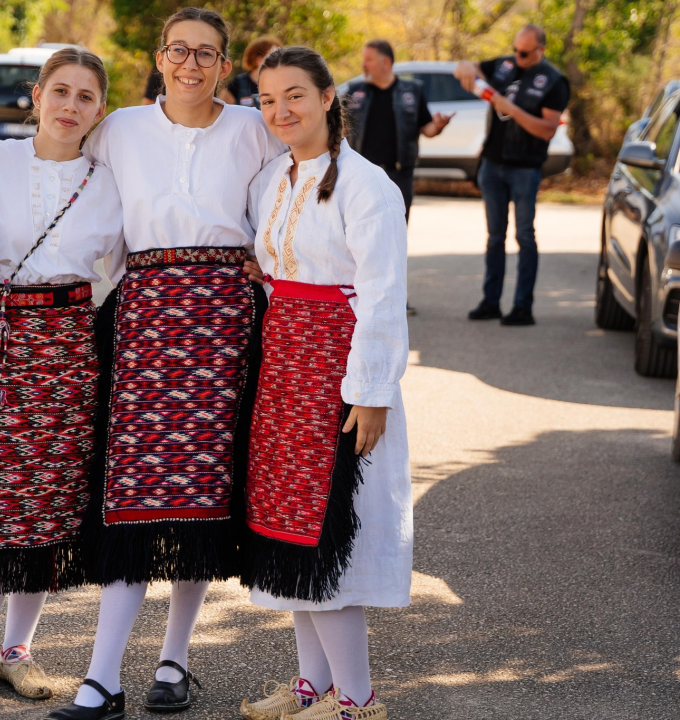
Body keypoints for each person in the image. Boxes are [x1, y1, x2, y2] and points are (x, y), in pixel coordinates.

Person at [43, 8, 284, 720]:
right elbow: (62, 168)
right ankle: (102, 678)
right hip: (145, 317)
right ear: (159, 58)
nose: (191, 65)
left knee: (203, 494)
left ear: (226, 65)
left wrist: (268, 262)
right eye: (179, 50)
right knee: (133, 494)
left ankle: (174, 661)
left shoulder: (255, 130)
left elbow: (293, 197)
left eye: (206, 54)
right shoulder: (119, 128)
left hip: (226, 322)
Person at [0, 48, 124, 704]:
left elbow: (121, 269)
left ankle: (19, 649)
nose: (71, 107)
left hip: (69, 349)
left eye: (86, 97)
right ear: (37, 94)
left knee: (48, 498)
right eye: (61, 91)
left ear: (99, 111)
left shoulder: (109, 182)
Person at [237, 46, 409, 720]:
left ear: (328, 97)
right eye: (268, 98)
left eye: (295, 95)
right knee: (289, 530)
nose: (281, 110)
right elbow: (286, 265)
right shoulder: (274, 179)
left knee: (326, 532)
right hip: (284, 368)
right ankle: (312, 684)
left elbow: (383, 295)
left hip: (336, 375)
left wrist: (371, 393)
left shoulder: (368, 186)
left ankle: (357, 699)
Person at [455, 24, 570, 326]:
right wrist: (465, 67)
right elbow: (470, 67)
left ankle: (522, 307)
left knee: (524, 236)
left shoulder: (554, 81)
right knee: (495, 237)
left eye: (524, 53)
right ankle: (491, 301)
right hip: (492, 164)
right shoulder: (505, 65)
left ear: (540, 50)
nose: (518, 56)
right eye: (515, 49)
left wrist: (511, 108)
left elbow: (547, 130)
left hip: (525, 168)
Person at [344, 39, 452, 317]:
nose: (363, 65)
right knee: (357, 236)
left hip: (398, 174)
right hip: (361, 176)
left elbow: (427, 129)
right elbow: (341, 128)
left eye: (369, 59)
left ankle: (396, 298)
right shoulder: (356, 92)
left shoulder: (411, 91)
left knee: (394, 237)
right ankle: (357, 296)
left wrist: (438, 126)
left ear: (386, 62)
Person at [219, 35, 281, 108]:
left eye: (279, 56)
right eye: (273, 56)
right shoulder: (239, 82)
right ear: (258, 59)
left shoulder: (281, 83)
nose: (278, 60)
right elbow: (221, 109)